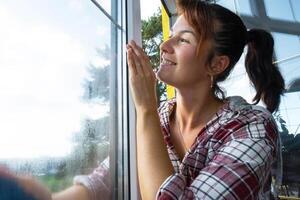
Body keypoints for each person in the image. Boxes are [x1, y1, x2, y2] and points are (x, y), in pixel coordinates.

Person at [0, 0, 284, 199]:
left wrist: (145, 109)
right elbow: (105, 180)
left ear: (216, 65)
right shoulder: (160, 116)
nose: (164, 45)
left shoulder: (252, 128)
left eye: (183, 40)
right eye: (171, 35)